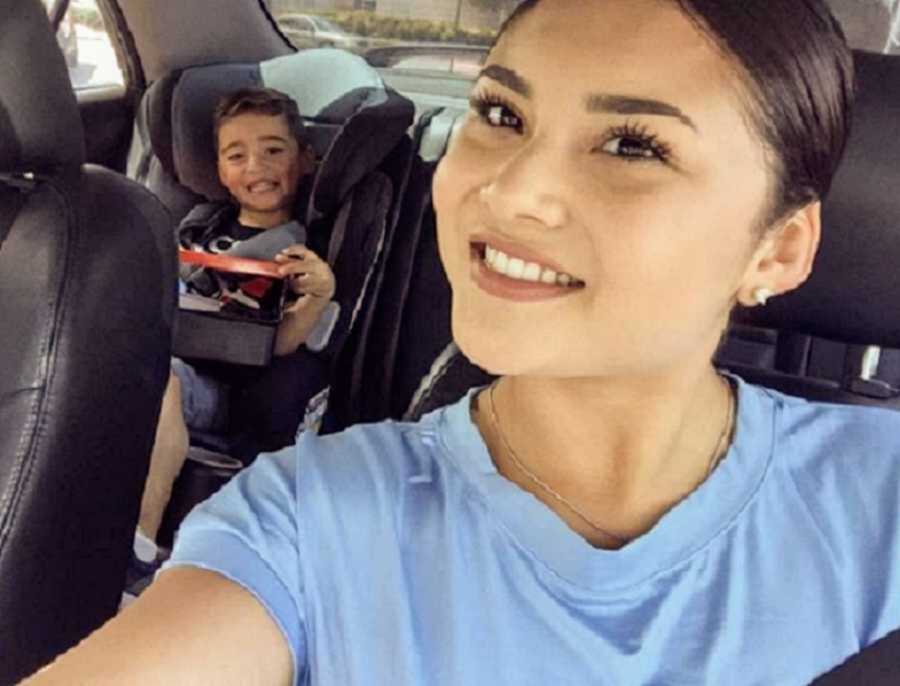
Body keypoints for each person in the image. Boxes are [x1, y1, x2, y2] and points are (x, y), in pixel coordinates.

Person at [23, 1, 900, 684]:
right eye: (502, 113)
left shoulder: (882, 500)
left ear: (778, 248)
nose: (510, 191)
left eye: (633, 144)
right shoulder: (308, 519)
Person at [137, 87, 337, 545]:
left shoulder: (298, 252)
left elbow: (282, 344)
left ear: (305, 160)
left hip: (223, 388)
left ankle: (141, 539)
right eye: (237, 155)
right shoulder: (200, 227)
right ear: (221, 171)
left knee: (162, 382)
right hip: (162, 345)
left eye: (273, 150)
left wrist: (317, 296)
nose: (255, 167)